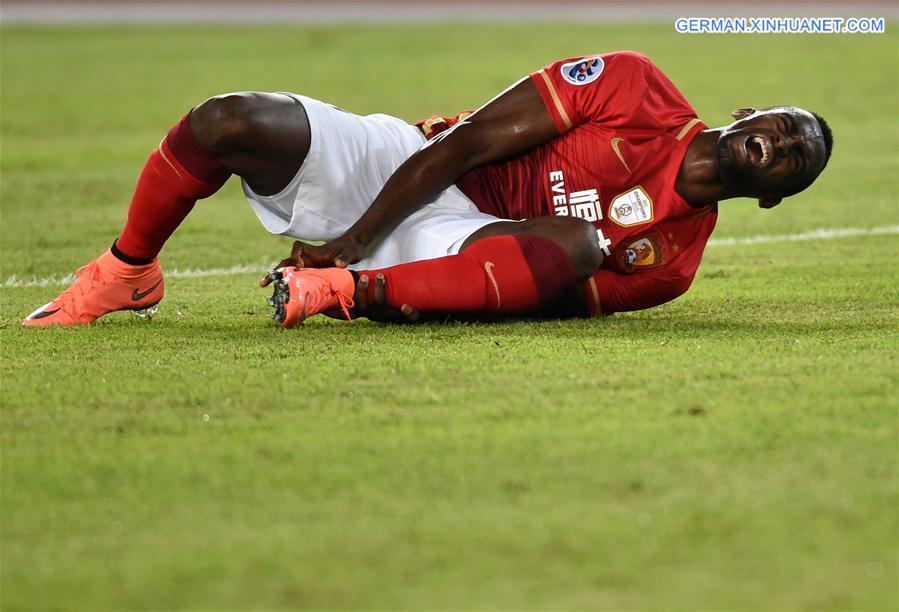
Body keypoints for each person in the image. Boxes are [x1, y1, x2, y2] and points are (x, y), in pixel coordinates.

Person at [23, 51, 832, 327]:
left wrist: (362, 276)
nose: (786, 142)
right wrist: (353, 233)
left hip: (451, 246)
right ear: (746, 113)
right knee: (227, 121)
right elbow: (470, 141)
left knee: (579, 249)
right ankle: (127, 271)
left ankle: (338, 292)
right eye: (787, 123)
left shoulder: (671, 268)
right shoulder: (632, 86)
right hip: (413, 167)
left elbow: (523, 298)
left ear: (774, 197)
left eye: (798, 155)